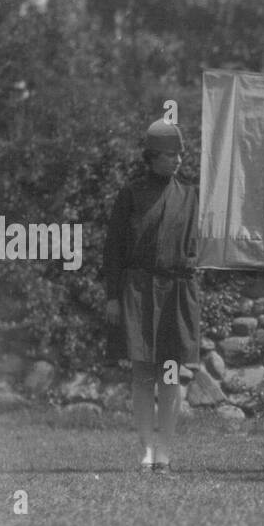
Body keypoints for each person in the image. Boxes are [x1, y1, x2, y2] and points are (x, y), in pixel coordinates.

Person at [102, 119, 200, 474]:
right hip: (138, 291)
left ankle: (165, 450)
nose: (175, 161)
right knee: (143, 372)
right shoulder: (130, 194)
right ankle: (145, 448)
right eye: (167, 155)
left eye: (178, 155)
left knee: (171, 374)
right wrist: (113, 296)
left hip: (175, 292)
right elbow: (113, 249)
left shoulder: (190, 195)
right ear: (151, 157)